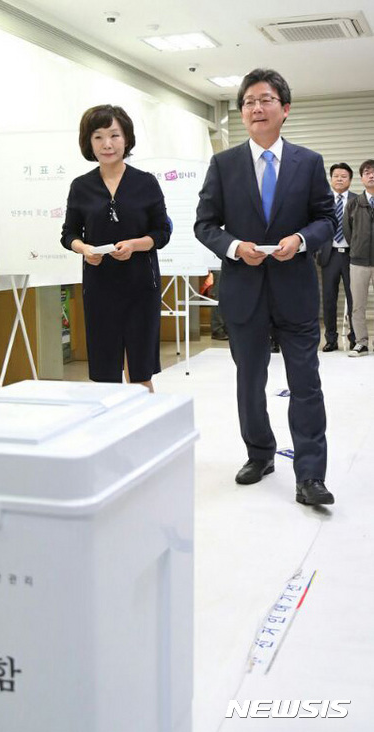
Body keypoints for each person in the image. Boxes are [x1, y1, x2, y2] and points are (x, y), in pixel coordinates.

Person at [194, 68, 336, 506]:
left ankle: (310, 475)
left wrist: (301, 240)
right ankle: (259, 454)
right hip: (244, 291)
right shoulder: (223, 165)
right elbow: (205, 224)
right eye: (249, 102)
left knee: (306, 383)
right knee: (249, 381)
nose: (257, 108)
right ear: (242, 112)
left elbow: (326, 219)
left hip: (295, 291)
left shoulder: (308, 163)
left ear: (285, 109)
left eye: (266, 100)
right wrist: (235, 247)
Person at [61, 104, 171, 392]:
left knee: (140, 372)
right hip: (100, 287)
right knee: (104, 374)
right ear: (88, 142)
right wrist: (84, 249)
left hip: (141, 286)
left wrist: (135, 245)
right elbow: (69, 234)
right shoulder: (81, 186)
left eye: (114, 135)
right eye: (98, 137)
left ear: (126, 139)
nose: (107, 144)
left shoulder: (146, 182)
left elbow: (162, 232)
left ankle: (145, 419)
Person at [316, 163, 357, 352]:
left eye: (344, 176)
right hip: (329, 255)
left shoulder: (358, 200)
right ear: (331, 179)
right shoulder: (322, 202)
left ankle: (355, 338)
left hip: (352, 256)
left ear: (350, 180)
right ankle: (331, 339)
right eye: (336, 176)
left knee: (354, 298)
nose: (339, 179)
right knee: (329, 299)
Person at [344, 159, 374, 358]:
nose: (371, 175)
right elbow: (348, 232)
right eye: (367, 172)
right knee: (358, 305)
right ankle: (361, 343)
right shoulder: (353, 204)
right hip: (358, 262)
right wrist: (357, 248)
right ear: (362, 178)